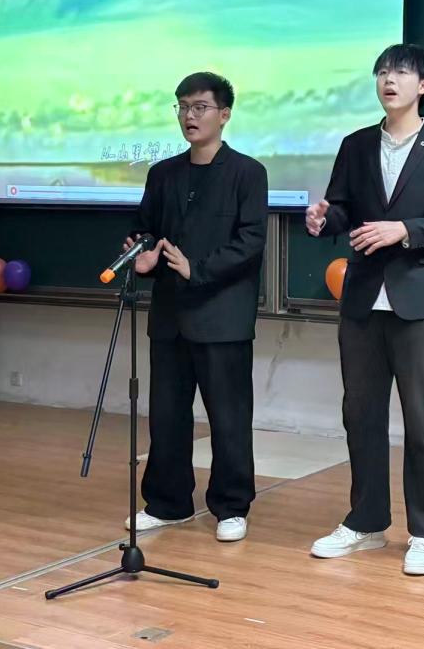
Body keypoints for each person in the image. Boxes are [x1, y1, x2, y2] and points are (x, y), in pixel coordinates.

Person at [306, 43, 424, 575]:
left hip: (419, 299)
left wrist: (405, 230)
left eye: (401, 72)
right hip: (362, 298)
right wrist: (324, 219)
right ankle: (365, 520)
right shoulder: (356, 145)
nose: (389, 80)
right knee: (360, 415)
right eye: (382, 71)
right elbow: (343, 209)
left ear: (423, 85)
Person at [125, 71, 268, 542]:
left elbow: (251, 242)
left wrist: (197, 269)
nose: (190, 115)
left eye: (200, 107)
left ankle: (231, 505)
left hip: (223, 315)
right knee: (167, 414)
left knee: (228, 416)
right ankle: (168, 503)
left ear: (224, 115)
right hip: (169, 315)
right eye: (183, 107)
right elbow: (145, 229)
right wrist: (144, 255)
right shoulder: (163, 173)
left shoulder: (248, 173)